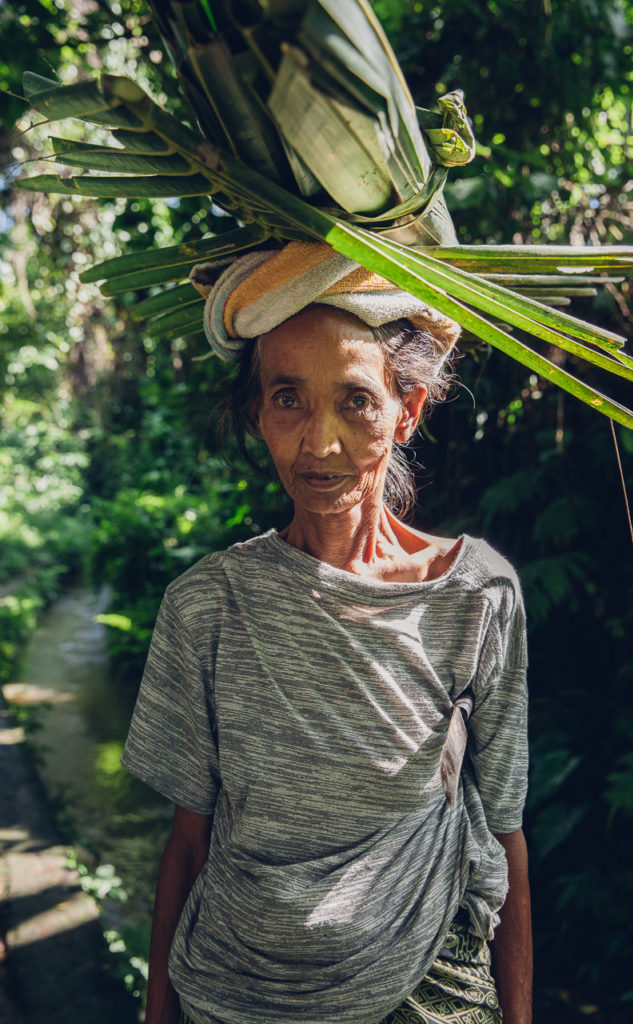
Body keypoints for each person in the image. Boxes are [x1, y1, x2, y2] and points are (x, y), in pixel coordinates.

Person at [122, 241, 532, 1024]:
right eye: (288, 399)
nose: (320, 443)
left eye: (355, 400)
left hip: (425, 988)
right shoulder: (207, 605)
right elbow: (187, 846)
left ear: (406, 412)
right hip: (237, 991)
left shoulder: (475, 594)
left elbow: (506, 837)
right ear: (256, 412)